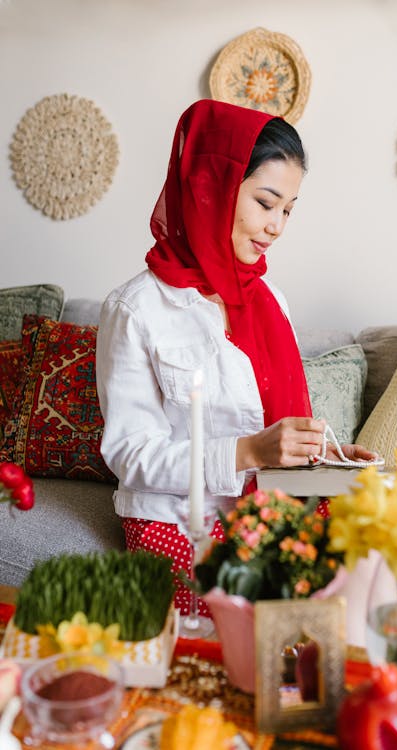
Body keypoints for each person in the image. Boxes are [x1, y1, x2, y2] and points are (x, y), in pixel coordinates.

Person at [96, 99, 375, 614]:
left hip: (267, 505)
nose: (276, 227)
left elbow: (282, 422)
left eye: (288, 209)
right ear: (210, 189)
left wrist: (328, 460)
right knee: (238, 616)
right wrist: (246, 453)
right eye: (266, 203)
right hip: (175, 516)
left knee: (373, 555)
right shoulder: (136, 310)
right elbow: (130, 454)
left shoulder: (270, 298)